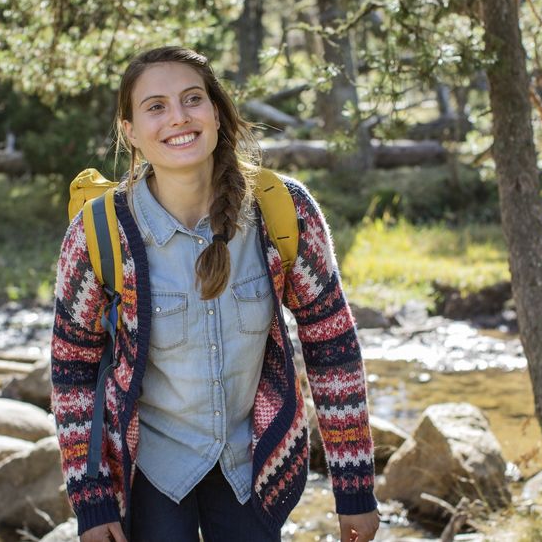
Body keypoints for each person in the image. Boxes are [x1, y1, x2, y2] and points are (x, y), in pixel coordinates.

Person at [51, 46, 379, 542]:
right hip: (150, 476)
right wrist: (91, 500)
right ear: (130, 131)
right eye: (155, 106)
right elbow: (72, 369)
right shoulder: (98, 234)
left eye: (192, 99)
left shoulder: (282, 212)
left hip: (252, 469)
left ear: (217, 113)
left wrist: (353, 487)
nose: (178, 118)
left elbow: (331, 347)